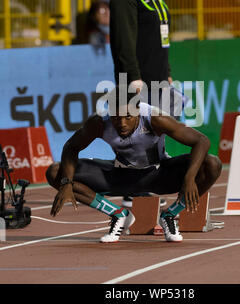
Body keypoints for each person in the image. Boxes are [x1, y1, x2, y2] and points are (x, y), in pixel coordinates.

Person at [47, 87, 222, 243]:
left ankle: (169, 215)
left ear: (138, 110)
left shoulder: (155, 118)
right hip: (120, 177)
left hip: (158, 175)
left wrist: (190, 178)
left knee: (212, 164)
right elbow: (71, 147)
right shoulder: (99, 123)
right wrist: (65, 183)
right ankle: (117, 213)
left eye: (128, 117)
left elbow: (201, 140)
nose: (121, 123)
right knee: (56, 172)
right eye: (116, 118)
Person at [107, 0, 177, 207]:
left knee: (154, 133)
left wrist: (166, 70)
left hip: (156, 73)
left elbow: (161, 36)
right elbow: (124, 39)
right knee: (136, 134)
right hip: (137, 77)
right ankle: (133, 189)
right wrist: (132, 76)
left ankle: (147, 185)